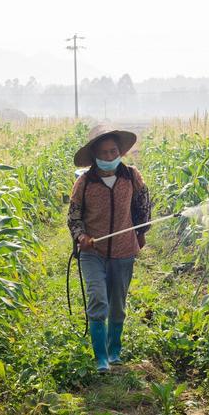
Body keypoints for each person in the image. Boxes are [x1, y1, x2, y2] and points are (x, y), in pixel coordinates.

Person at [67, 124, 151, 372]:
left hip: (124, 251)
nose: (108, 156)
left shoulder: (131, 176)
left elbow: (143, 206)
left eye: (113, 151)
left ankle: (115, 350)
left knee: (117, 304)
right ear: (94, 155)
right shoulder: (84, 183)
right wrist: (81, 236)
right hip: (93, 252)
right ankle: (101, 357)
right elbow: (73, 218)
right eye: (103, 152)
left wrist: (141, 233)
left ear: (120, 152)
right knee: (98, 300)